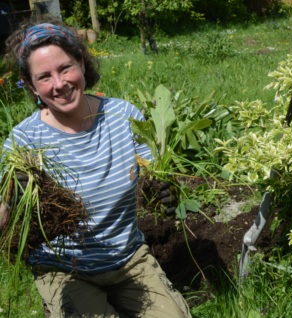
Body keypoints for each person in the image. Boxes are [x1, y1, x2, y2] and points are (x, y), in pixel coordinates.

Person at [0, 21, 191, 318]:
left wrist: (163, 190)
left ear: (81, 62)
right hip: (64, 269)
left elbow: (154, 173)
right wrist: (14, 203)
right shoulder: (24, 140)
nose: (59, 84)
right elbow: (4, 221)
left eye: (65, 68)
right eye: (44, 77)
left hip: (128, 260)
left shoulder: (123, 116)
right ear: (31, 85)